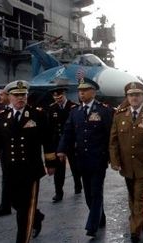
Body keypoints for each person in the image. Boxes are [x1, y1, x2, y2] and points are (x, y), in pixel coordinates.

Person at [0, 80, 55, 242]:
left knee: (24, 211)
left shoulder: (38, 115)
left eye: (23, 95)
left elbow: (48, 140)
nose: (20, 98)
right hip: (10, 169)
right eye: (16, 95)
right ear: (9, 97)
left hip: (31, 170)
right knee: (16, 203)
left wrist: (50, 163)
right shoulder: (2, 117)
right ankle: (37, 217)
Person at [57, 77, 114, 238]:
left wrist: (112, 156)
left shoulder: (104, 110)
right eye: (80, 91)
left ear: (93, 92)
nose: (81, 93)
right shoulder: (75, 112)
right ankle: (100, 217)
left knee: (96, 192)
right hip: (81, 159)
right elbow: (68, 133)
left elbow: (111, 135)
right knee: (88, 194)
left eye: (85, 90)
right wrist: (61, 150)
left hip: (98, 159)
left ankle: (92, 225)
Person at [109, 82, 143, 243]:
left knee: (139, 196)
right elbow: (113, 141)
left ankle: (135, 229)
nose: (134, 97)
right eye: (131, 95)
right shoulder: (119, 115)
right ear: (127, 97)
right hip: (127, 165)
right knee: (132, 195)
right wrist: (115, 161)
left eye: (137, 94)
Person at [47, 84, 82, 203]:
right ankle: (58, 193)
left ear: (64, 94)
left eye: (60, 96)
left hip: (71, 142)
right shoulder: (52, 108)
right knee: (59, 169)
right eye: (55, 97)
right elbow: (50, 127)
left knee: (75, 166)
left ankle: (78, 185)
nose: (58, 99)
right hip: (58, 143)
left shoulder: (73, 107)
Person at [0, 89, 13, 217]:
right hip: (4, 150)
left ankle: (35, 216)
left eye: (1, 94)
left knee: (17, 184)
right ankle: (5, 206)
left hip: (18, 152)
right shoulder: (1, 109)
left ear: (9, 95)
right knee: (6, 178)